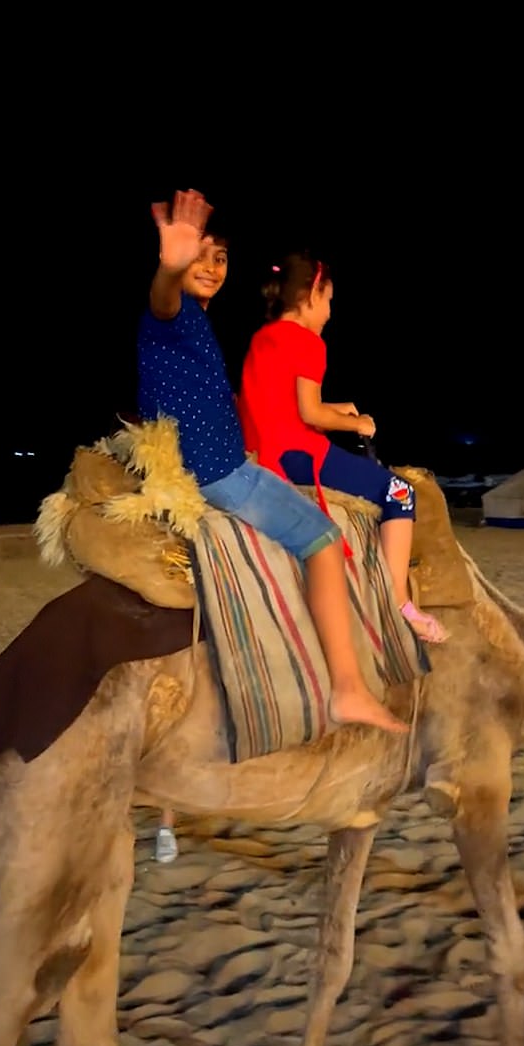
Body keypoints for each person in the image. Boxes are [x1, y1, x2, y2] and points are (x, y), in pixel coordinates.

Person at [138, 190, 409, 862]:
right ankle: (350, 684)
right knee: (322, 539)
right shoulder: (171, 314)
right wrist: (171, 267)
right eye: (200, 256)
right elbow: (165, 297)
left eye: (218, 257)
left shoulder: (209, 327)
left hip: (225, 456)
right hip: (222, 471)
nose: (210, 265)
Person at [237, 251, 448, 644]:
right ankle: (400, 602)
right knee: (400, 492)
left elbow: (279, 406)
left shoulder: (263, 337)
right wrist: (356, 423)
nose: (330, 312)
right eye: (329, 300)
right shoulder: (309, 342)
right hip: (297, 455)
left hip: (265, 452)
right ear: (312, 294)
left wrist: (340, 408)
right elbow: (310, 414)